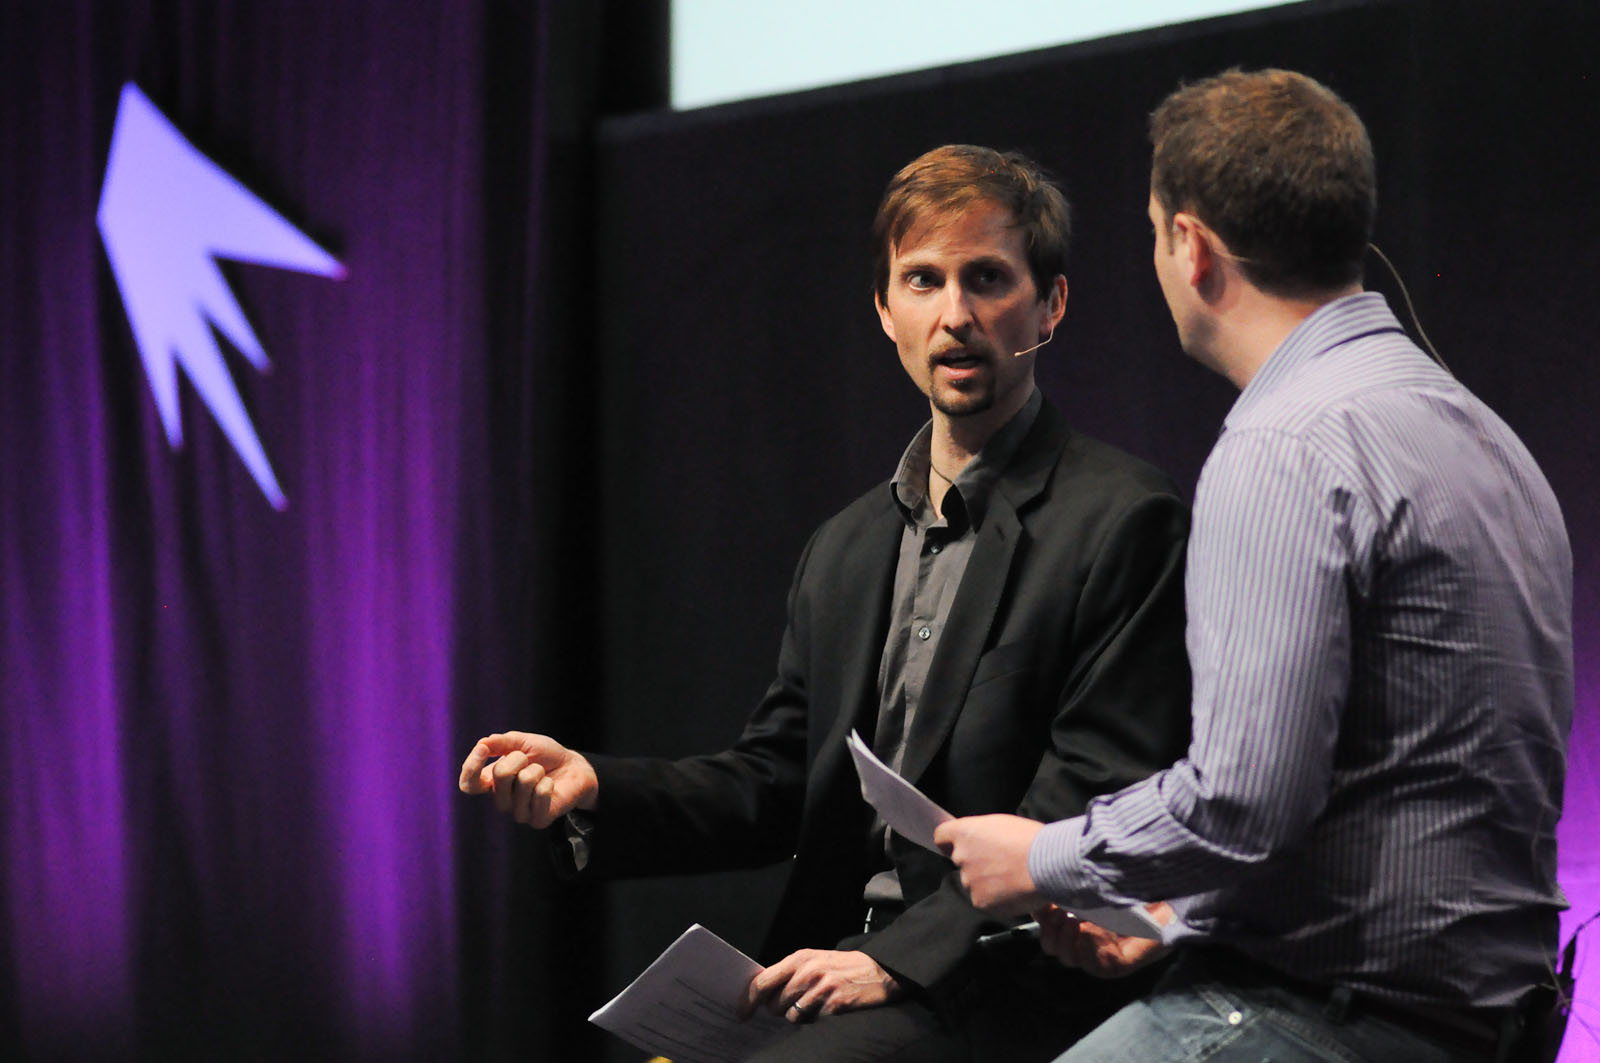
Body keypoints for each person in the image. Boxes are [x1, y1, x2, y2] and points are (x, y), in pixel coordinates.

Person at [459, 144, 1193, 1061]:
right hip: (852, 965)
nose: (955, 315)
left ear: (1051, 305)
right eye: (923, 280)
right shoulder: (844, 550)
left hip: (1010, 972)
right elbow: (775, 783)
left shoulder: (1125, 519)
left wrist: (897, 962)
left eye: (988, 279)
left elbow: (1078, 806)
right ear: (887, 311)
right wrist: (596, 785)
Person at [936, 70, 1573, 1063]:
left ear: (1189, 248)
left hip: (1331, 1019)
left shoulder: (1284, 445)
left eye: (1153, 232)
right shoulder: (1487, 439)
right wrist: (1176, 917)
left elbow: (1243, 801)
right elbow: (1398, 794)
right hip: (1477, 1024)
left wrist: (1046, 857)